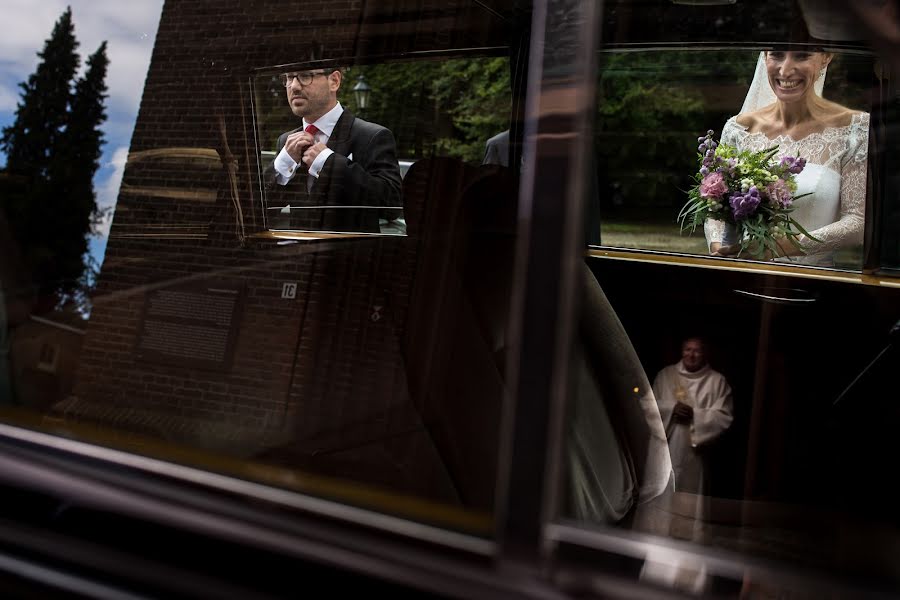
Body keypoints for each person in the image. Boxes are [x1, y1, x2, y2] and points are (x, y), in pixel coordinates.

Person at [704, 50, 870, 267]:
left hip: (811, 285)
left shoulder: (855, 129)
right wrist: (719, 247)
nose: (785, 70)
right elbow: (715, 208)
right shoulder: (738, 129)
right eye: (777, 55)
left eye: (801, 56)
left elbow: (858, 222)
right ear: (765, 57)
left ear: (826, 57)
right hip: (743, 276)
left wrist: (784, 246)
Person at [264, 67, 402, 233]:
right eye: (289, 77)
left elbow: (392, 207)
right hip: (297, 254)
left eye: (305, 76)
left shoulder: (373, 136)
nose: (294, 86)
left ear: (334, 81)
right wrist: (282, 164)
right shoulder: (285, 142)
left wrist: (328, 163)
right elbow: (259, 212)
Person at [651, 337, 733, 495]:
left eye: (697, 351)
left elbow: (724, 416)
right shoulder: (666, 375)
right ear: (682, 352)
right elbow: (649, 406)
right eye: (688, 350)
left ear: (704, 354)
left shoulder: (717, 381)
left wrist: (695, 416)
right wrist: (671, 409)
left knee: (692, 498)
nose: (692, 354)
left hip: (697, 454)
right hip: (668, 448)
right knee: (666, 497)